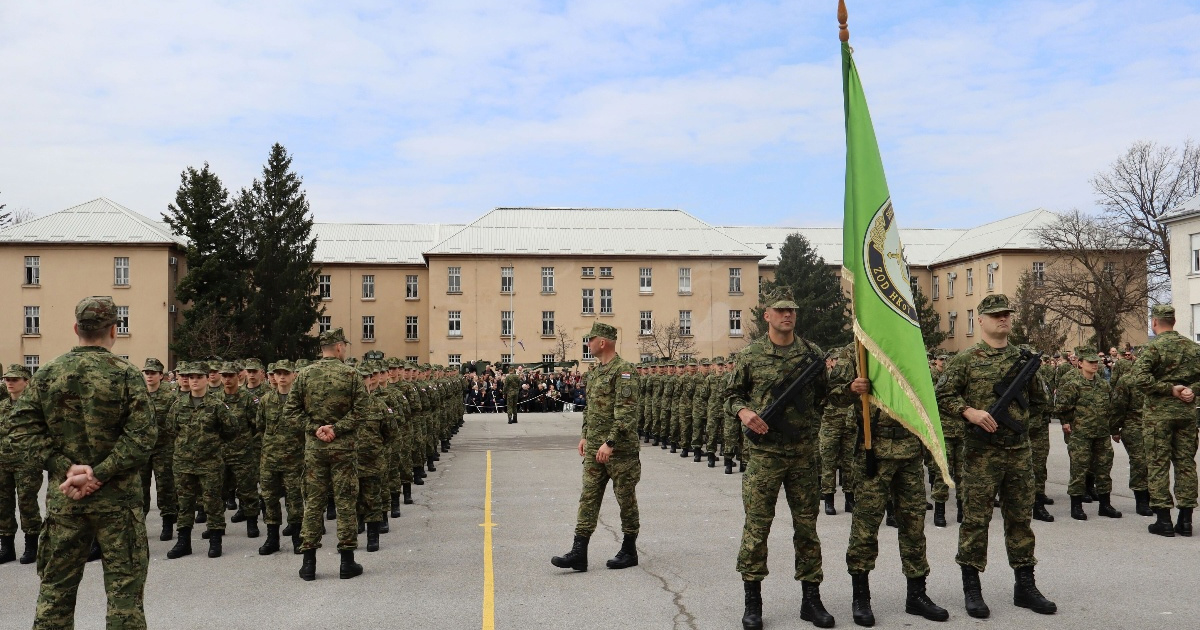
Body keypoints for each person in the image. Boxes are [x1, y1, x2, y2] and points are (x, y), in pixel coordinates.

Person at [8, 296, 157, 628]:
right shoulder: (127, 375)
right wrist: (99, 473)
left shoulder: (48, 373)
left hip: (66, 499)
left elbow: (19, 430)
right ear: (114, 331)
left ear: (76, 328)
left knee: (55, 596)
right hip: (118, 505)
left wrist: (66, 468)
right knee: (124, 600)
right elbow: (143, 437)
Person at [936, 294, 1056, 619]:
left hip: (1018, 453)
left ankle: (1025, 586)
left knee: (1020, 519)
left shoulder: (1024, 360)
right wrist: (969, 412)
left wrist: (1022, 427)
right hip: (980, 455)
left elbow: (1042, 402)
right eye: (995, 315)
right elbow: (942, 394)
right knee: (976, 520)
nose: (1003, 319)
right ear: (982, 320)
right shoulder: (966, 359)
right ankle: (972, 588)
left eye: (1006, 314)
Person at [724, 296, 834, 630]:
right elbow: (731, 396)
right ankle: (753, 601)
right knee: (757, 528)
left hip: (803, 454)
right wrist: (745, 412)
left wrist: (852, 389)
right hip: (765, 455)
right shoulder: (750, 356)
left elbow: (827, 396)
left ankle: (811, 600)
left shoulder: (812, 354)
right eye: (782, 310)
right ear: (767, 315)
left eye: (793, 310)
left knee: (807, 529)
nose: (788, 314)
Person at [833, 347, 949, 626]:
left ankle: (916, 595)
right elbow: (832, 394)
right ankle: (861, 597)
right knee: (865, 526)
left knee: (913, 524)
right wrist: (851, 388)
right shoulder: (857, 350)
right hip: (874, 451)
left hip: (909, 450)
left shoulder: (907, 344)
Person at [551, 322, 641, 573]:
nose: (587, 344)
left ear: (603, 342)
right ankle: (579, 552)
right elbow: (590, 409)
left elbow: (627, 413)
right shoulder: (595, 372)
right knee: (588, 497)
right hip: (594, 447)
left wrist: (610, 442)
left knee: (625, 499)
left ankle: (629, 548)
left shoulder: (624, 371)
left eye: (590, 340)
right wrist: (584, 436)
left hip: (619, 449)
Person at [285, 327, 370, 580]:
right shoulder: (352, 375)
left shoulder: (304, 376)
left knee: (313, 503)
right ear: (340, 347)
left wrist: (316, 429)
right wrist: (338, 428)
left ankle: (308, 564)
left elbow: (290, 412)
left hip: (315, 450)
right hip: (343, 449)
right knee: (345, 503)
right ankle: (346, 562)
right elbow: (362, 410)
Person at [1131, 304, 1200, 537]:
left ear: (1154, 322)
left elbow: (1138, 379)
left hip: (1158, 415)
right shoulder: (1193, 348)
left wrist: (1169, 389)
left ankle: (1163, 520)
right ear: (1174, 321)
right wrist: (1191, 390)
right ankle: (1186, 520)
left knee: (1158, 465)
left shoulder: (1154, 348)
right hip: (1187, 415)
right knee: (1186, 464)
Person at [166, 362, 241, 559]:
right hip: (183, 463)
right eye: (191, 378)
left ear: (207, 379)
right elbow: (171, 429)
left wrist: (213, 445)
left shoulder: (216, 406)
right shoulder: (178, 405)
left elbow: (232, 429)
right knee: (184, 503)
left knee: (212, 502)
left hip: (210, 464)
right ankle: (183, 542)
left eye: (199, 377)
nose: (195, 381)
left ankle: (215, 540)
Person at [1055, 348, 1122, 520]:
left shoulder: (1103, 384)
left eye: (1095, 362)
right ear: (1080, 363)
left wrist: (1113, 428)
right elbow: (1062, 407)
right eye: (1090, 362)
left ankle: (1105, 505)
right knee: (1079, 469)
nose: (1094, 365)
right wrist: (1066, 422)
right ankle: (1076, 506)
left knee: (1104, 468)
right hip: (1081, 434)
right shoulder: (1073, 383)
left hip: (1101, 433)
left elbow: (1111, 408)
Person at [258, 360, 305, 555]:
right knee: (269, 498)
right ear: (274, 377)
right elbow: (260, 426)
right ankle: (272, 538)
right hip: (270, 459)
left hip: (294, 459)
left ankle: (297, 537)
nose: (282, 377)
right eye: (278, 373)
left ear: (294, 375)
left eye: (286, 373)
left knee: (295, 499)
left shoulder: (301, 400)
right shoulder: (266, 400)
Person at [0, 363, 42, 565]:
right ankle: (6, 548)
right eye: (7, 379)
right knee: (3, 504)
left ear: (26, 381)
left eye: (15, 379)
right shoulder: (2, 406)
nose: (10, 382)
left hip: (28, 463)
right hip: (2, 463)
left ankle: (31, 546)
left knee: (27, 503)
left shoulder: (35, 406)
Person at [140, 358, 178, 542]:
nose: (149, 376)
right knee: (140, 487)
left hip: (164, 448)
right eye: (146, 373)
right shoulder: (138, 395)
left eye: (153, 373)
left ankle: (168, 523)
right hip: (142, 449)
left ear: (161, 376)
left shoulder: (170, 396)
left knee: (165, 486)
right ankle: (139, 524)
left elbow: (175, 423)